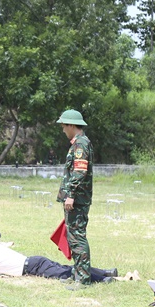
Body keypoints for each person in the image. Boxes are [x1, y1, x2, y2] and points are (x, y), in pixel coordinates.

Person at [0, 234, 118, 283]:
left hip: (33, 267)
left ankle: (103, 278)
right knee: (67, 268)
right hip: (34, 262)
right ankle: (104, 272)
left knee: (67, 273)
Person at [56, 109, 94, 287]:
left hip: (77, 199)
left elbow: (79, 171)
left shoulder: (81, 145)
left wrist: (70, 195)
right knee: (73, 237)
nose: (63, 130)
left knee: (77, 238)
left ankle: (83, 279)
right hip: (75, 199)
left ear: (71, 125)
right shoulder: (78, 143)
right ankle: (78, 273)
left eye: (64, 126)